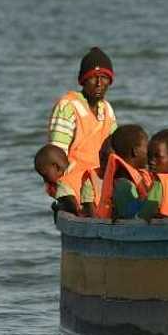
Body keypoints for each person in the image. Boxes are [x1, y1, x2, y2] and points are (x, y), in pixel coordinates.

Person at [46, 47, 118, 214]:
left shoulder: (107, 109)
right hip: (73, 191)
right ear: (83, 80)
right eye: (93, 77)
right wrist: (63, 195)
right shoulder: (68, 107)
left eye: (104, 78)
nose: (99, 83)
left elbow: (115, 153)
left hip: (100, 189)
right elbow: (55, 156)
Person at [95, 124, 152, 219]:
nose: (150, 151)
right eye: (146, 147)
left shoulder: (139, 175)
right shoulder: (123, 184)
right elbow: (129, 214)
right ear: (135, 151)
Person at [34, 144, 82, 215]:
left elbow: (71, 207)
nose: (44, 180)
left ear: (56, 167)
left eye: (45, 175)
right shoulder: (81, 167)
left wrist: (56, 206)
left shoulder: (63, 184)